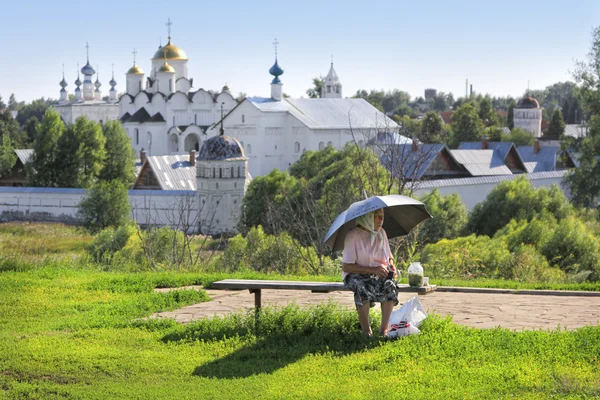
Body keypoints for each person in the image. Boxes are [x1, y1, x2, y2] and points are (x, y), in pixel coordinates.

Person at [342, 208, 399, 336]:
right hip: (356, 274)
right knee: (362, 286)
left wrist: (391, 265)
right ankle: (366, 331)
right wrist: (372, 270)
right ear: (367, 218)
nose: (381, 220)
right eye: (376, 216)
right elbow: (347, 267)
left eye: (382, 216)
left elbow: (389, 257)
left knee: (390, 285)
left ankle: (384, 330)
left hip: (378, 273)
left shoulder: (381, 233)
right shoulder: (353, 235)